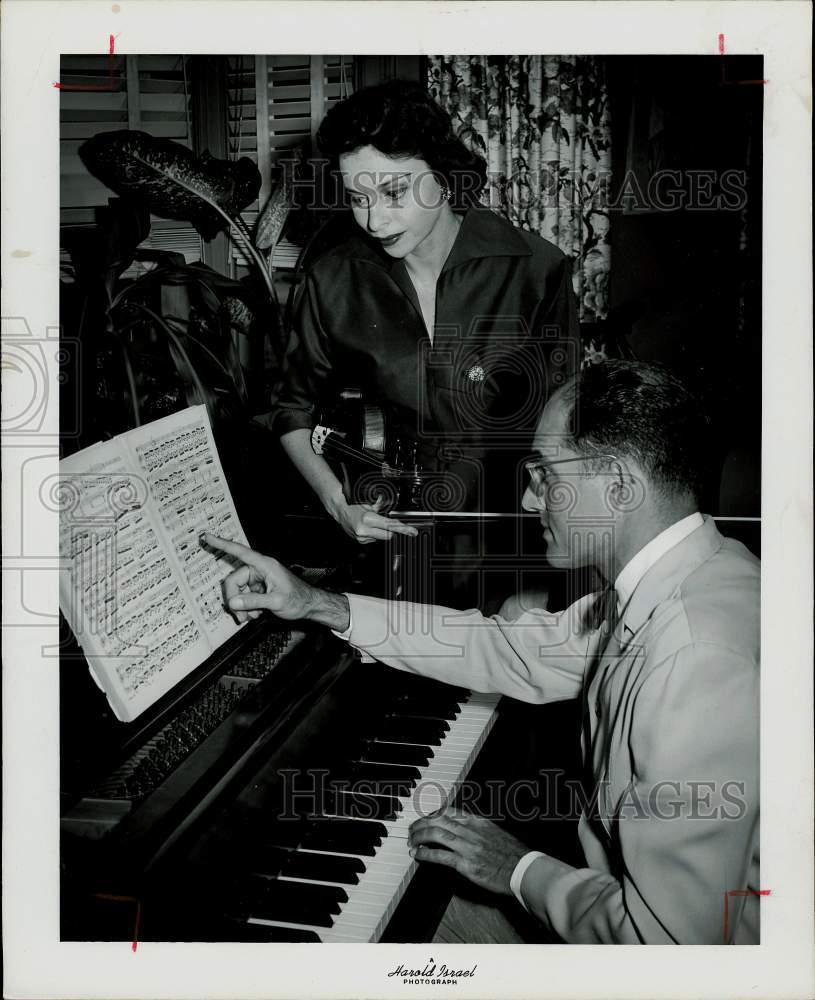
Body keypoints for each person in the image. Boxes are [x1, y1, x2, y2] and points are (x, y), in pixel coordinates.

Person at [202, 359, 760, 945]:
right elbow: (508, 647)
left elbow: (667, 946)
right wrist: (319, 604)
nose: (527, 499)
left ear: (620, 485)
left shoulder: (700, 660)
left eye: (544, 472)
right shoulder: (696, 574)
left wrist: (516, 869)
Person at [272, 79, 578, 575]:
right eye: (357, 197)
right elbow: (291, 411)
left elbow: (568, 420)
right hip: (390, 530)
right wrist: (337, 503)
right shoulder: (331, 281)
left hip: (512, 533)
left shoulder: (536, 270)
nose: (374, 219)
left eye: (394, 192)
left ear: (444, 175)